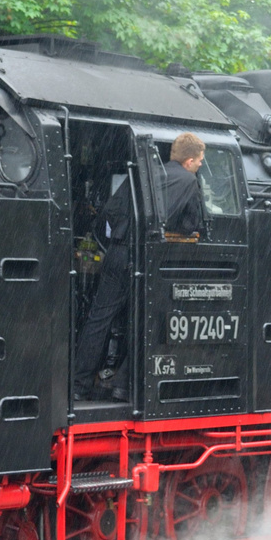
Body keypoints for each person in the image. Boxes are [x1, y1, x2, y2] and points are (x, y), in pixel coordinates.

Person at [73, 132, 207, 402]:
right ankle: (123, 385)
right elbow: (193, 224)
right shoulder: (189, 181)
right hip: (147, 256)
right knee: (148, 323)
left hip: (118, 252)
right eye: (200, 160)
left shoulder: (143, 173)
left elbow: (110, 210)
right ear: (190, 160)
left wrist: (121, 236)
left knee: (98, 320)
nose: (201, 165)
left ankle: (79, 384)